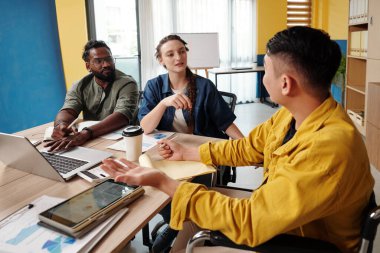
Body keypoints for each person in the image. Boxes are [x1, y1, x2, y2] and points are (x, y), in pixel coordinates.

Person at [101, 26, 374, 253]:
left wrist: (161, 181)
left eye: (266, 70)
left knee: (191, 217)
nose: (263, 77)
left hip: (303, 242)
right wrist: (188, 153)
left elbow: (250, 222)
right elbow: (249, 147)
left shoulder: (328, 146)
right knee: (189, 219)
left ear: (286, 83)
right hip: (281, 216)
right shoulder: (292, 115)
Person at [137, 34, 244, 252]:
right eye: (170, 54)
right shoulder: (154, 86)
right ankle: (177, 223)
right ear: (161, 60)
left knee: (188, 193)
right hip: (168, 154)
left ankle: (174, 228)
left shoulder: (204, 86)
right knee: (155, 189)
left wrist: (248, 145)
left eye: (182, 51)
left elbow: (225, 122)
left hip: (199, 154)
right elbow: (146, 127)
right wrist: (164, 103)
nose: (178, 57)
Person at [45, 40, 139, 152]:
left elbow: (121, 116)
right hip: (91, 140)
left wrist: (86, 133)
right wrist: (62, 125)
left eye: (109, 59)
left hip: (124, 142)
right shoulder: (79, 85)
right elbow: (68, 110)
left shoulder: (127, 83)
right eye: (98, 61)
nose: (106, 64)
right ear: (88, 66)